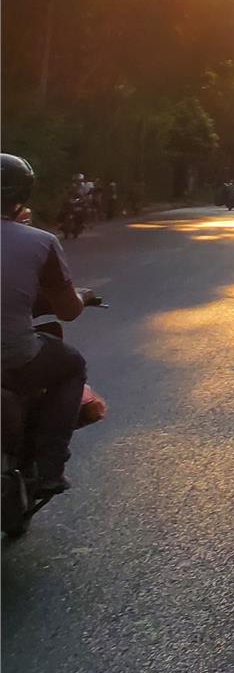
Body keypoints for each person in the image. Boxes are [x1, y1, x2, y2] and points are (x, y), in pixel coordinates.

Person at [2, 154, 94, 497]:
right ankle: (49, 467)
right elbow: (68, 311)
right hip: (15, 357)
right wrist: (83, 296)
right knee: (72, 364)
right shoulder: (40, 241)